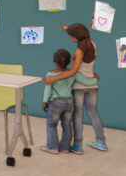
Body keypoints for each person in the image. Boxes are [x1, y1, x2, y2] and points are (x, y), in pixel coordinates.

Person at [44, 23, 105, 153]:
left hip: (79, 86)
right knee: (93, 113)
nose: (70, 38)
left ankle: (77, 145)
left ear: (75, 37)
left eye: (71, 36)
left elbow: (73, 72)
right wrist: (69, 29)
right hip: (92, 84)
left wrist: (53, 78)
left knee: (77, 115)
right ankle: (101, 142)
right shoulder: (92, 44)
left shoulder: (79, 51)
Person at [40, 49, 97, 154]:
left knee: (51, 124)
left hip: (56, 103)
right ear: (68, 62)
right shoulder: (73, 74)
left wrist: (44, 102)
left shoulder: (50, 75)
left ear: (54, 61)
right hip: (69, 103)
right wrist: (95, 79)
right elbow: (86, 81)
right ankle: (65, 148)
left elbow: (47, 90)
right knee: (66, 125)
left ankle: (52, 147)